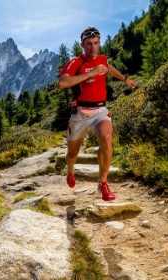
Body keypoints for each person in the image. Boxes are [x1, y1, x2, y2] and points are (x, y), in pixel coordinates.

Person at [57, 26, 135, 201]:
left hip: (100, 110)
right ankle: (70, 171)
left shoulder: (102, 59)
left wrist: (125, 79)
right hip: (80, 113)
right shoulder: (76, 62)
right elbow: (62, 83)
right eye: (89, 44)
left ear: (99, 43)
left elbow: (108, 67)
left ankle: (103, 183)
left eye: (96, 43)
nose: (93, 47)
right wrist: (90, 73)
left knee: (107, 137)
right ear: (82, 44)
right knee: (72, 154)